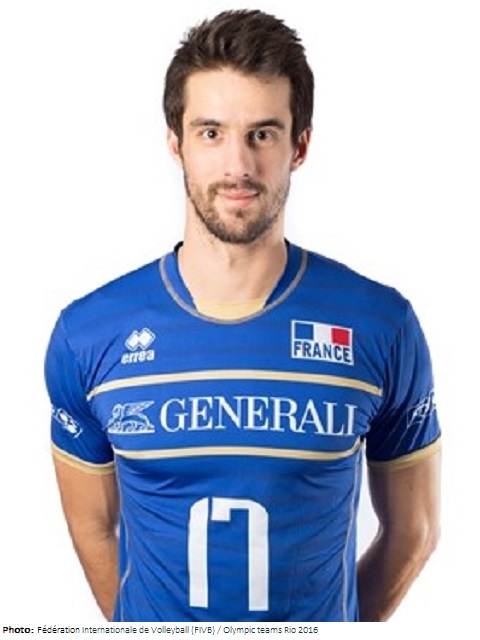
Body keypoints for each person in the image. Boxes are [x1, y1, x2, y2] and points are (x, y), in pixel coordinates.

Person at [45, 9, 441, 623]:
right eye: (211, 133)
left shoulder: (381, 326)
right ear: (175, 142)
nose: (237, 166)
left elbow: (415, 533)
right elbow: (93, 527)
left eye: (262, 134)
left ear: (299, 145)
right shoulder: (88, 334)